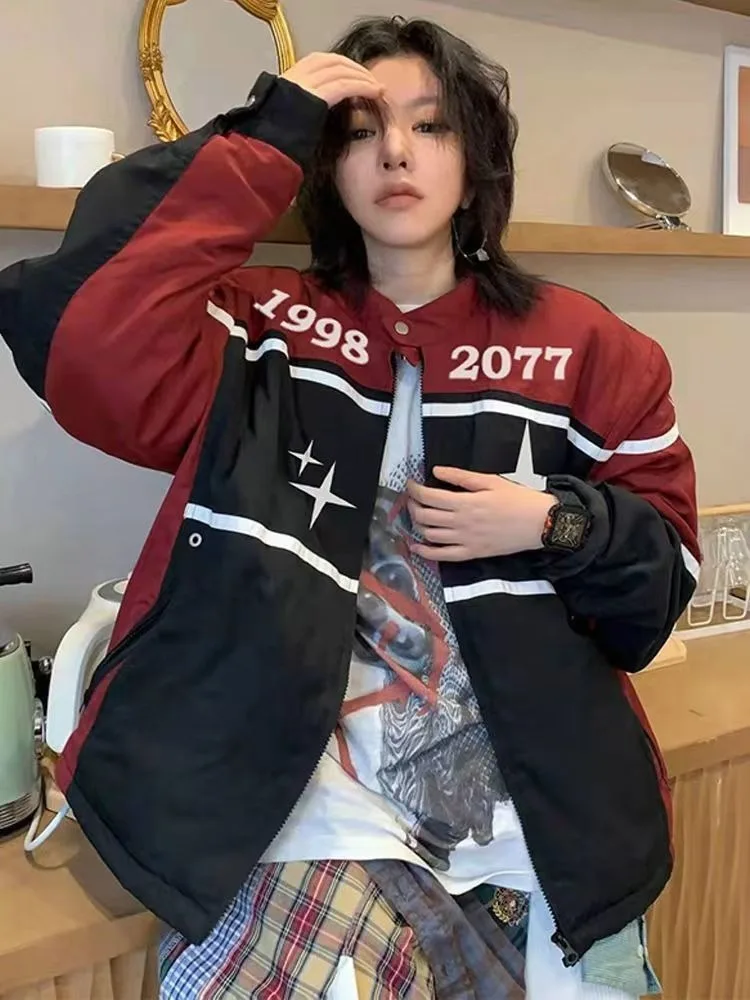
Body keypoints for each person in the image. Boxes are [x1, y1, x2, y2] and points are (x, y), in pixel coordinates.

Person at [0, 15, 699, 1000]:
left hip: (546, 836)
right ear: (328, 167)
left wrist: (556, 521)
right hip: (312, 823)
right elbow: (75, 324)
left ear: (477, 163)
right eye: (362, 130)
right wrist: (268, 132)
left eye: (432, 125)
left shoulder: (592, 350)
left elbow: (659, 592)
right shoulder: (257, 323)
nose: (397, 151)